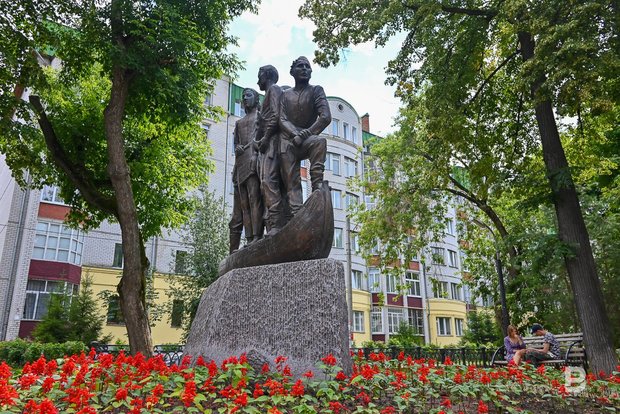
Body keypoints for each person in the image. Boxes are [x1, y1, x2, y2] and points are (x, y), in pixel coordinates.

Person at [279, 56, 331, 218]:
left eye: (307, 66)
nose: (304, 69)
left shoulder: (316, 91)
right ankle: (296, 213)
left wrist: (305, 134)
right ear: (292, 72)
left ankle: (317, 188)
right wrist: (294, 134)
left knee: (320, 142)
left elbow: (325, 117)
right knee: (291, 178)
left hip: (307, 138)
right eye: (300, 66)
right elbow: (281, 119)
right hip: (287, 140)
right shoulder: (284, 95)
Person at [254, 64, 285, 235]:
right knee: (264, 184)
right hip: (265, 146)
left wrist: (265, 138)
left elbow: (276, 115)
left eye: (259, 75)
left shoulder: (274, 90)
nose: (258, 80)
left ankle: (276, 224)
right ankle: (271, 224)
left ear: (266, 75)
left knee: (269, 181)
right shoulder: (266, 96)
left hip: (272, 143)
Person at [233, 88, 264, 244]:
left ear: (256, 99)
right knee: (244, 204)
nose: (245, 98)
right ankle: (249, 238)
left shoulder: (260, 117)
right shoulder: (238, 123)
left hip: (254, 159)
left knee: (254, 199)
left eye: (248, 95)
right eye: (243, 96)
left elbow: (264, 137)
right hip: (241, 163)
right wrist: (237, 147)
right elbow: (236, 143)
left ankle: (257, 236)